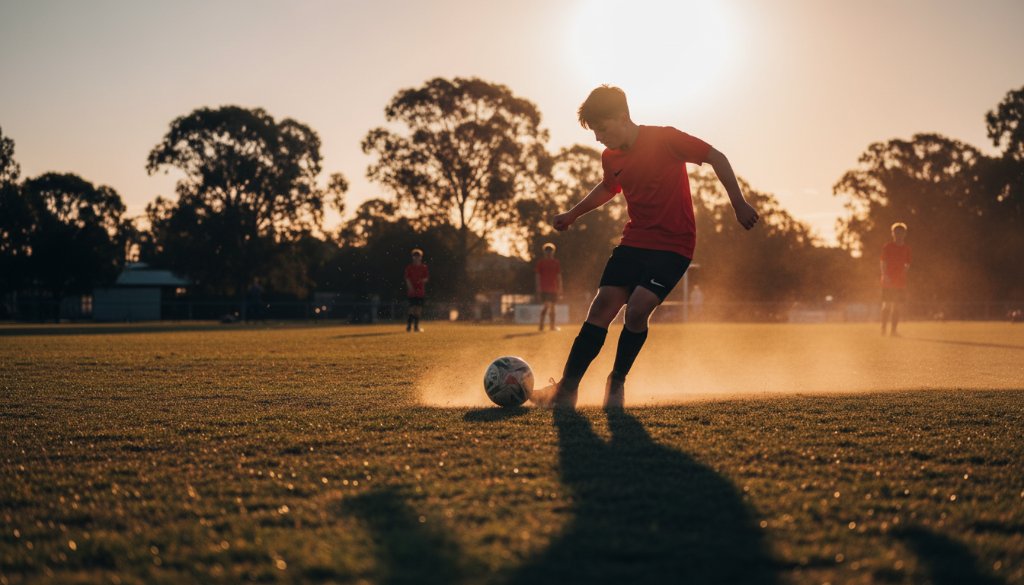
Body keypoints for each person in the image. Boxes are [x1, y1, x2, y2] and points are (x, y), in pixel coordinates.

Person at [531, 85, 759, 409]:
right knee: (601, 308)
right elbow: (609, 187)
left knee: (637, 309)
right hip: (635, 240)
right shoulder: (610, 156)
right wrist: (572, 214)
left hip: (674, 245)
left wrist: (738, 203)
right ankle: (566, 390)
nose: (598, 138)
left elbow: (715, 156)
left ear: (622, 117)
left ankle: (617, 382)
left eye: (602, 129)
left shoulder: (665, 139)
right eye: (594, 131)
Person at [880, 222, 911, 336]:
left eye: (901, 232)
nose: (898, 234)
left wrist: (904, 273)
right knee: (887, 305)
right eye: (896, 232)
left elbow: (907, 264)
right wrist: (885, 275)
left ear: (904, 234)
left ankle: (893, 331)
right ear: (892, 233)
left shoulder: (907, 248)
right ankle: (883, 328)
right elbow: (883, 262)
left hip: (900, 282)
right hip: (888, 281)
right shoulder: (887, 247)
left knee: (897, 306)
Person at [535, 243, 563, 331]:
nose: (549, 253)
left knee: (553, 307)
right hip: (544, 288)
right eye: (547, 252)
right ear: (544, 252)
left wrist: (560, 287)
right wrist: (538, 286)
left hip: (554, 288)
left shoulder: (556, 262)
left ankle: (552, 326)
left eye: (550, 251)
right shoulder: (541, 263)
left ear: (553, 252)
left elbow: (558, 276)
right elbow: (537, 276)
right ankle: (541, 325)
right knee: (546, 306)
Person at [404, 248, 429, 332]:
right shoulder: (409, 267)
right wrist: (410, 287)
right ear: (412, 257)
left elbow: (426, 278)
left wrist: (421, 280)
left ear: (421, 257)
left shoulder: (424, 267)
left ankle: (416, 326)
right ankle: (409, 326)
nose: (417, 258)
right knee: (411, 309)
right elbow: (407, 279)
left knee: (418, 309)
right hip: (412, 291)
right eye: (415, 256)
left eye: (418, 256)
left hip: (420, 291)